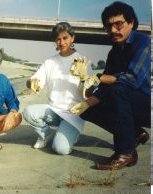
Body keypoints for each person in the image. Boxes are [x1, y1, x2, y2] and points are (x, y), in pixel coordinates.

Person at [70, 1, 150, 170]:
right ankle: (135, 133)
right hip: (127, 103)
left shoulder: (144, 43)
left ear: (131, 23)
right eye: (108, 26)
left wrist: (98, 77)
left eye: (118, 24)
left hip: (146, 105)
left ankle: (126, 152)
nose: (113, 30)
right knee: (89, 108)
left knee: (118, 88)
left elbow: (132, 79)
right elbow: (105, 88)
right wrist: (85, 103)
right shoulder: (114, 52)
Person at [22, 22, 93, 155]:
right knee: (28, 112)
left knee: (61, 149)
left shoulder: (82, 60)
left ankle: (68, 134)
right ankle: (46, 135)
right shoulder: (50, 62)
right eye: (58, 39)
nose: (61, 42)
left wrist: (84, 79)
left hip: (73, 113)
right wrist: (31, 83)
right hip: (53, 110)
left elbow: (90, 93)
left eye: (65, 38)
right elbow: (35, 82)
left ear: (72, 38)